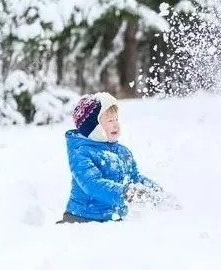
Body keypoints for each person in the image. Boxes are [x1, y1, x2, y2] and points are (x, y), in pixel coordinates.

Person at [56, 92, 174, 224]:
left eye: (116, 119)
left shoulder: (123, 152)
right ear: (93, 127)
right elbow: (92, 184)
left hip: (113, 220)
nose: (116, 124)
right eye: (110, 121)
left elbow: (134, 178)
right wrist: (125, 192)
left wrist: (157, 193)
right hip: (82, 220)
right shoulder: (81, 152)